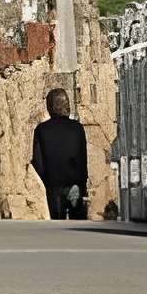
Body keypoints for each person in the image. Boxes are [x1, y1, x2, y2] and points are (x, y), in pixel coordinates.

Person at [31, 89, 89, 220]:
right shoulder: (77, 128)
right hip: (75, 185)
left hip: (54, 185)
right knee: (78, 222)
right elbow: (82, 159)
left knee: (57, 223)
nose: (68, 106)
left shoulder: (41, 130)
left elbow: (37, 161)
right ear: (55, 106)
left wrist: (48, 180)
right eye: (65, 102)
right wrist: (81, 183)